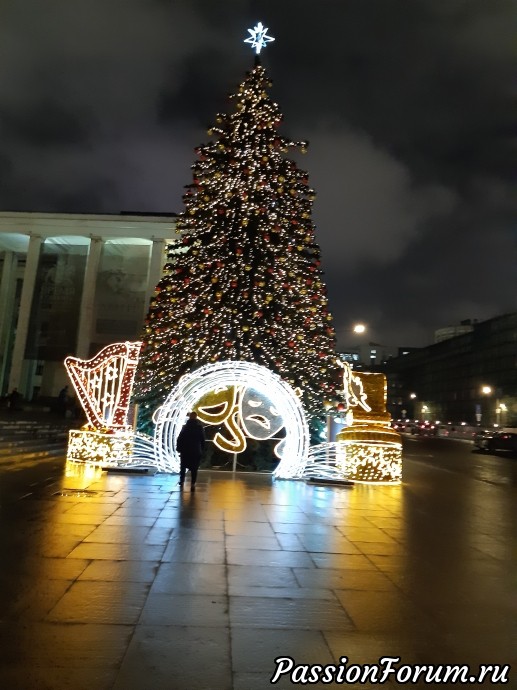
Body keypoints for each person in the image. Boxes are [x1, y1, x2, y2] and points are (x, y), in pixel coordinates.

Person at [176, 411, 205, 491]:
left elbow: (180, 439)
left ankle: (182, 481)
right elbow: (202, 440)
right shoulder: (199, 428)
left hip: (185, 450)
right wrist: (202, 449)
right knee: (194, 468)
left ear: (189, 417)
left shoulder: (185, 427)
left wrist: (179, 448)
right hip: (196, 450)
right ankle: (193, 483)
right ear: (196, 417)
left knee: (183, 467)